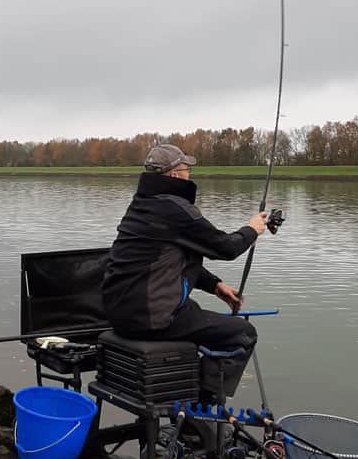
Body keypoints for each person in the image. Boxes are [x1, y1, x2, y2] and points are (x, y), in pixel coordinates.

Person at [102, 143, 267, 400]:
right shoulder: (175, 209)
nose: (190, 173)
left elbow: (169, 262)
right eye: (186, 169)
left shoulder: (140, 206)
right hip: (153, 319)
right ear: (174, 175)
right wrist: (252, 229)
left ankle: (184, 391)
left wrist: (215, 286)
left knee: (199, 316)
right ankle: (196, 406)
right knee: (243, 334)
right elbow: (225, 247)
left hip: (121, 314)